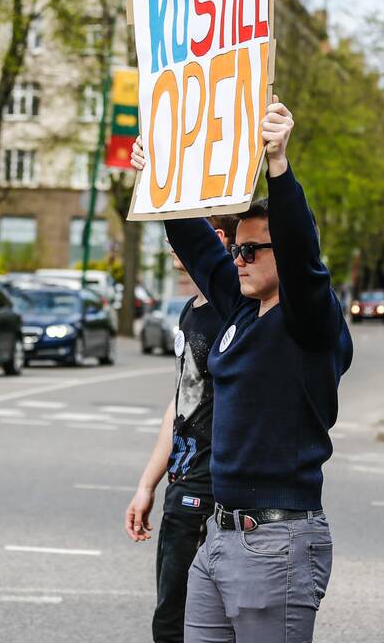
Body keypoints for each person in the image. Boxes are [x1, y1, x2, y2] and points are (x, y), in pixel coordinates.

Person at [130, 96, 354, 642]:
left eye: (253, 251)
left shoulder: (309, 323)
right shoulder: (242, 309)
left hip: (276, 542)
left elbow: (303, 257)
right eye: (237, 249)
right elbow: (197, 244)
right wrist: (160, 177)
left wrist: (278, 163)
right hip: (220, 533)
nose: (239, 260)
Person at [124, 215, 239, 643]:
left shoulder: (233, 311)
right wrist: (147, 483)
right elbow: (180, 403)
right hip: (181, 480)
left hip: (210, 486)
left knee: (192, 620)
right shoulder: (192, 311)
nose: (173, 245)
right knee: (169, 615)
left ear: (217, 239)